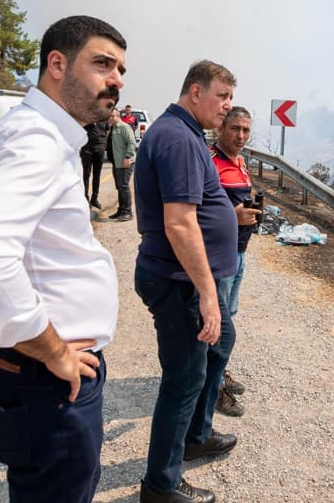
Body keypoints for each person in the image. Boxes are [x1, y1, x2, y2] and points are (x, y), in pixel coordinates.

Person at [0, 15, 126, 503]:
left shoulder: (44, 135)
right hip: (45, 380)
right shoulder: (36, 141)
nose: (116, 79)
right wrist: (54, 351)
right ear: (56, 64)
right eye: (103, 64)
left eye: (120, 69)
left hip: (38, 378)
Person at [133, 60, 239, 503]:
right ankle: (161, 485)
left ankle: (196, 434)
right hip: (178, 281)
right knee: (182, 379)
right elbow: (179, 224)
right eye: (222, 97)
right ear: (195, 92)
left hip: (186, 279)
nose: (228, 108)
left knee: (221, 344)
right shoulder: (177, 138)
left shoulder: (188, 133)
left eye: (231, 99)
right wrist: (209, 294)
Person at [208, 106, 259, 417]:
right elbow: (199, 211)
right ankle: (213, 390)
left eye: (246, 130)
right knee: (218, 327)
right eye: (235, 129)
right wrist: (234, 216)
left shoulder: (240, 162)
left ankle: (218, 374)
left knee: (230, 315)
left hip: (239, 253)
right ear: (221, 129)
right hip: (219, 257)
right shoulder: (211, 162)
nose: (241, 135)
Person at [107, 106, 136, 221]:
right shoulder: (113, 128)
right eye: (109, 116)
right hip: (116, 162)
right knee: (119, 187)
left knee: (123, 186)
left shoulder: (124, 127)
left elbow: (132, 143)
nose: (110, 118)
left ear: (118, 116)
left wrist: (127, 157)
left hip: (125, 162)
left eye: (112, 116)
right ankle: (121, 209)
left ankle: (128, 211)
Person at [81, 118, 108, 208]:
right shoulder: (87, 116)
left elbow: (107, 131)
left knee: (97, 175)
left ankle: (94, 198)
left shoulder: (104, 118)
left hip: (99, 148)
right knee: (86, 174)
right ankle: (85, 198)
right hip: (87, 148)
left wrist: (103, 144)